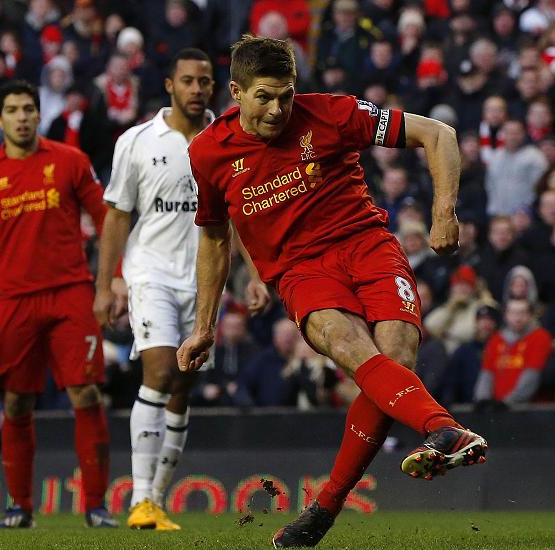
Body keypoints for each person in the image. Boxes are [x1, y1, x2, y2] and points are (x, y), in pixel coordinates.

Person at [176, 36, 487, 548]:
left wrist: (444, 212)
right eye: (265, 97)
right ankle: (443, 428)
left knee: (396, 358)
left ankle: (324, 508)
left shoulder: (331, 114)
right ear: (235, 92)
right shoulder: (207, 154)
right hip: (300, 270)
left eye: (286, 95)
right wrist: (204, 326)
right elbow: (213, 237)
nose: (278, 109)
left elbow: (439, 134)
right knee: (344, 342)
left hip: (367, 245)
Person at [92, 48, 270, 531]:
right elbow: (117, 214)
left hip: (203, 282)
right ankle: (140, 498)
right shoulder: (137, 141)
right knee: (161, 369)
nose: (196, 89)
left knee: (183, 386)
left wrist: (254, 274)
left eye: (204, 81)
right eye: (187, 81)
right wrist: (107, 283)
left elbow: (242, 213)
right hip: (150, 273)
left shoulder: (231, 139)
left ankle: (157, 501)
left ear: (216, 87)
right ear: (170, 85)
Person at [0, 80, 118, 528]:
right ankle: (21, 507)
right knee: (16, 403)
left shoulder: (71, 161)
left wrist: (111, 282)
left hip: (71, 294)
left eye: (29, 109)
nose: (22, 117)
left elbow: (105, 218)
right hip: (15, 301)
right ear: (0, 120)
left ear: (40, 115)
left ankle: (96, 506)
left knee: (88, 393)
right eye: (13, 110)